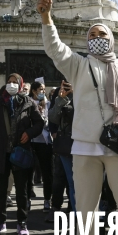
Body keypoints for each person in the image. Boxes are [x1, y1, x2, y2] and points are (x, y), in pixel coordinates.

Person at [37, 0, 118, 235]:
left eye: (102, 34)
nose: (97, 38)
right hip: (84, 148)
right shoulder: (78, 65)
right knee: (85, 213)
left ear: (111, 39)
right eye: (92, 35)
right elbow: (55, 49)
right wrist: (46, 17)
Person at [0, 74, 43, 235]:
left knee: (21, 191)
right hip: (1, 153)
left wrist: (29, 132)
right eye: (9, 82)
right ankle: (0, 222)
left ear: (20, 85)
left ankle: (22, 223)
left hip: (20, 152)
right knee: (0, 191)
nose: (12, 84)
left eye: (15, 82)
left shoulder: (28, 102)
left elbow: (39, 123)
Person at [48, 80, 76, 214]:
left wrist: (77, 94)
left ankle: (74, 209)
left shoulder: (85, 91)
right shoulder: (59, 94)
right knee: (62, 178)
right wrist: (61, 98)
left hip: (84, 142)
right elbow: (52, 117)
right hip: (64, 143)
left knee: (79, 182)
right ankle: (56, 207)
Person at [29, 81, 53, 213]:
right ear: (33, 91)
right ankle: (27, 199)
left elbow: (51, 121)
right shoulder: (28, 103)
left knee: (47, 172)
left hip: (44, 142)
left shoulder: (48, 103)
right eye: (40, 89)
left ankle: (47, 199)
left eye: (44, 89)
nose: (42, 92)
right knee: (28, 171)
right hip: (31, 141)